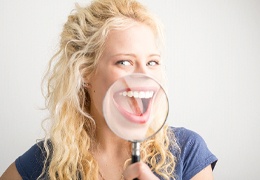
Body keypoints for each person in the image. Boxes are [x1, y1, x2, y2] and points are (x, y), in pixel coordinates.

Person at [1, 0, 217, 179]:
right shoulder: (44, 163)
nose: (145, 76)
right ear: (85, 72)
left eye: (152, 62)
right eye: (124, 62)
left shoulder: (187, 152)